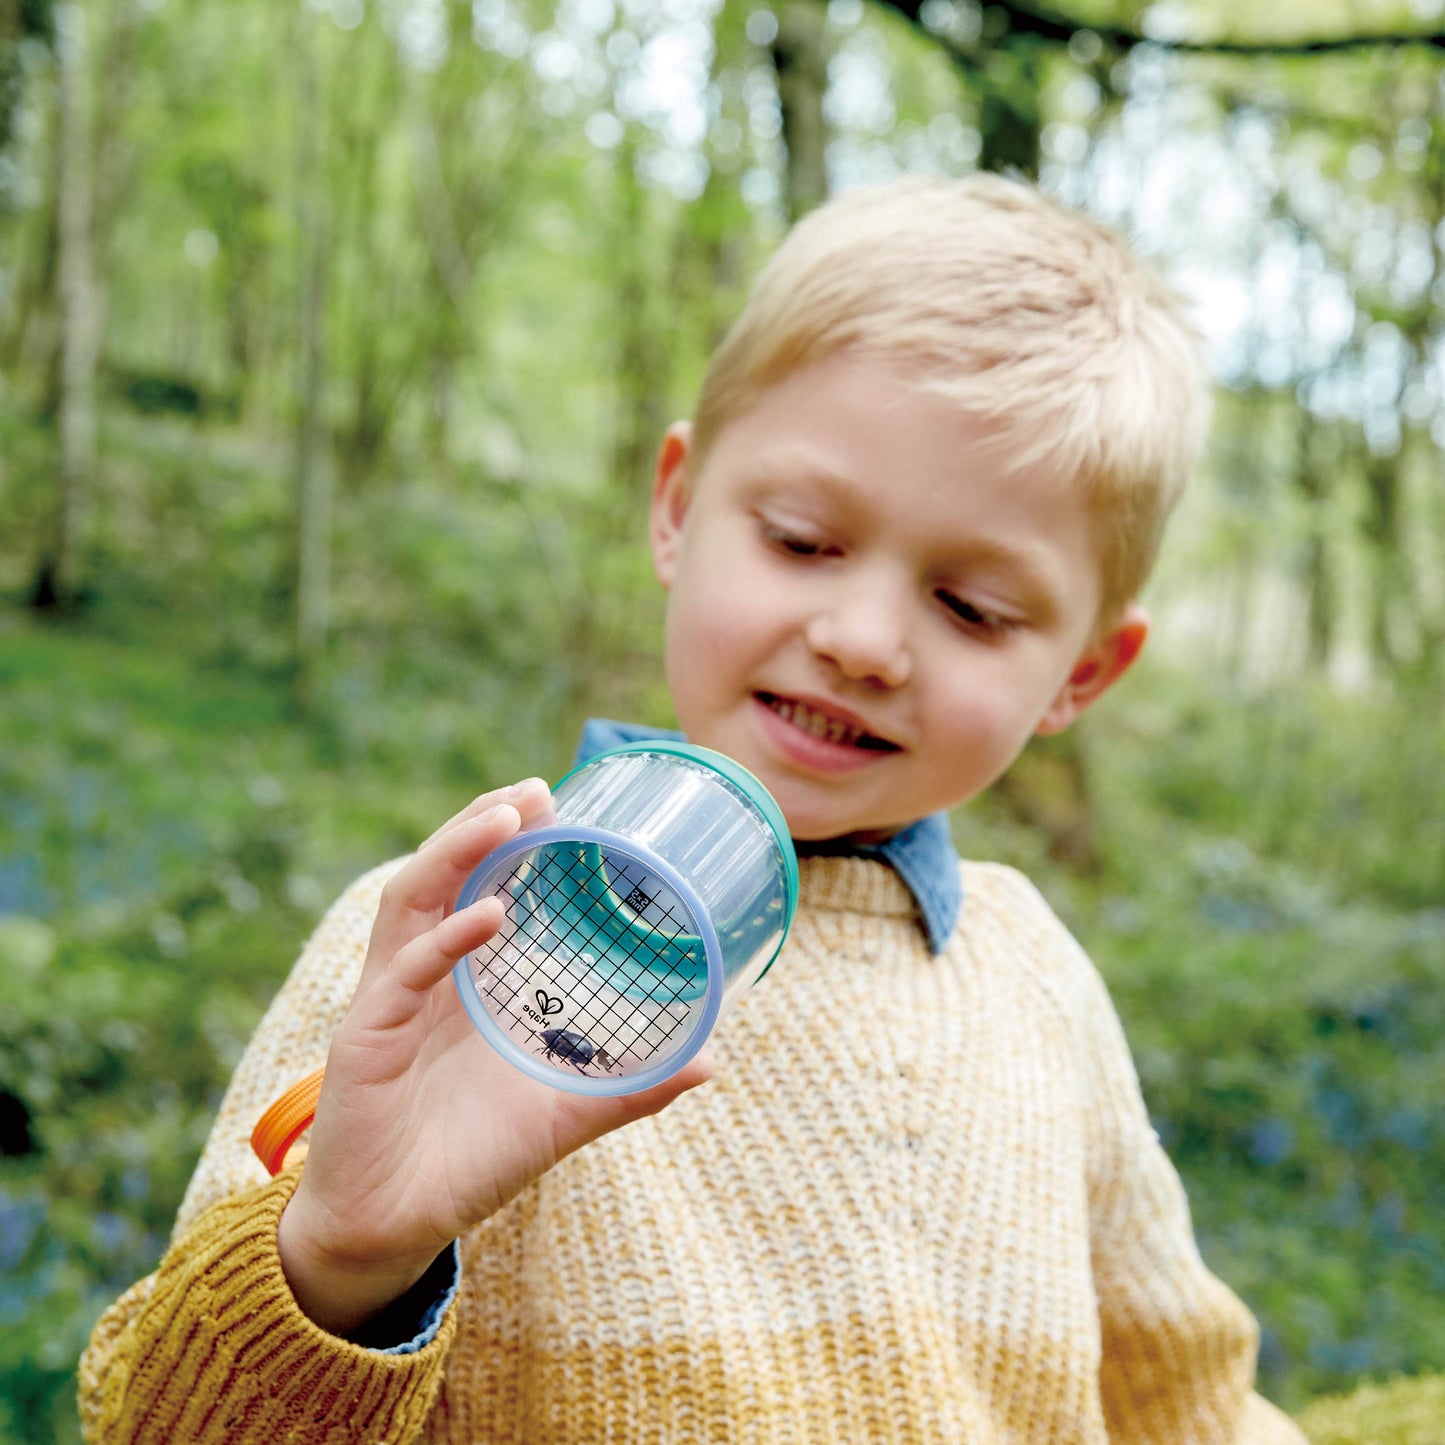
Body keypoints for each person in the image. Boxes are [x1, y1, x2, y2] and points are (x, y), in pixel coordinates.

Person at [79, 175, 1308, 1444]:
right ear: (676, 508)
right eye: (800, 540)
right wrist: (340, 1258)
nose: (864, 638)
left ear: (1083, 674)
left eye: (972, 609)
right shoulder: (448, 949)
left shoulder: (1033, 980)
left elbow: (1188, 1398)